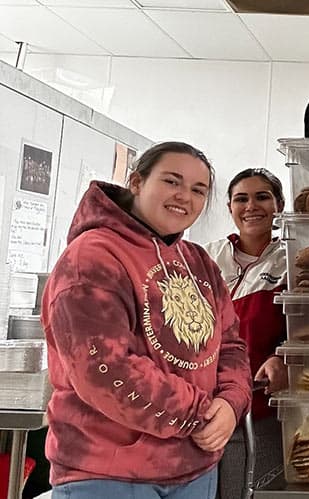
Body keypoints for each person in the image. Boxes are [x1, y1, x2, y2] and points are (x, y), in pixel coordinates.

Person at [41, 142, 252, 498]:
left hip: (195, 469)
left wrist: (231, 403)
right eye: (172, 181)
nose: (184, 196)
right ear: (136, 182)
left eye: (198, 190)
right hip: (108, 473)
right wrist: (201, 413)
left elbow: (230, 346)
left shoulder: (199, 261)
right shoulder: (93, 257)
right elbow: (104, 369)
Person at [206, 168, 289, 498]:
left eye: (262, 197)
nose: (251, 206)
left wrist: (283, 356)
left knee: (254, 490)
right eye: (241, 198)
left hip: (263, 412)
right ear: (229, 207)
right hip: (205, 408)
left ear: (279, 205)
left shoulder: (294, 263)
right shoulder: (206, 258)